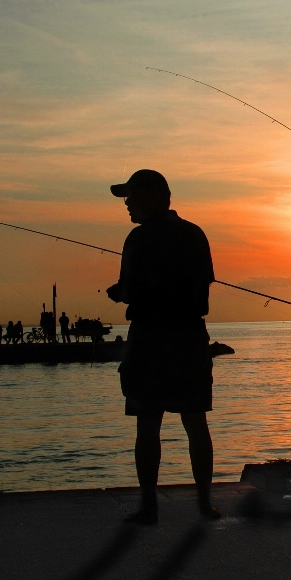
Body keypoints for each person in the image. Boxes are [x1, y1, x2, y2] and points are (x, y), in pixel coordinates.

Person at [105, 169, 219, 524]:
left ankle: (149, 507)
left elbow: (128, 289)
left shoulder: (137, 240)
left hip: (150, 340)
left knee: (147, 424)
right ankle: (204, 504)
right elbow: (202, 292)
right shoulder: (195, 234)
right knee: (195, 422)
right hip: (188, 338)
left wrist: (118, 293)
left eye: (131, 196)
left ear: (154, 196)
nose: (126, 204)